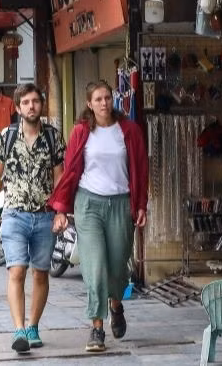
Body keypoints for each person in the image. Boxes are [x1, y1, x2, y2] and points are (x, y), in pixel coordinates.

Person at [48, 81, 149, 352]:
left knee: (117, 267)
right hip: (88, 204)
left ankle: (116, 304)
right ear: (89, 104)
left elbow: (141, 168)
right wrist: (61, 209)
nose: (104, 103)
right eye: (98, 99)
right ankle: (96, 328)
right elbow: (70, 171)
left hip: (121, 204)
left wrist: (141, 204)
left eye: (107, 97)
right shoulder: (81, 131)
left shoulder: (129, 130)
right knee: (95, 267)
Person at [0, 84, 65, 353]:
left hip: (45, 216)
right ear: (18, 108)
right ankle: (19, 329)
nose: (32, 106)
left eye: (36, 101)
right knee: (17, 270)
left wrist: (61, 211)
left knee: (40, 274)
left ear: (41, 105)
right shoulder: (6, 137)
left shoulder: (53, 137)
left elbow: (60, 178)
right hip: (14, 214)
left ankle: (33, 326)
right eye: (26, 102)